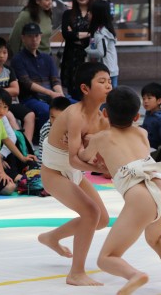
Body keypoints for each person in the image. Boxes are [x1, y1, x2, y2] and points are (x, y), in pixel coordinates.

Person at [78, 85, 161, 295]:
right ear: (137, 116)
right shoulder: (142, 132)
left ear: (104, 113)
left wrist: (85, 142)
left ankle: (134, 275)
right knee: (156, 238)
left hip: (140, 197)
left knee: (106, 257)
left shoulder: (101, 138)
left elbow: (83, 157)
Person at [38, 62, 110, 286]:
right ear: (85, 88)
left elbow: (97, 154)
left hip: (75, 171)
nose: (108, 85)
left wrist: (106, 164)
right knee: (91, 212)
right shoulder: (75, 115)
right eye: (101, 81)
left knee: (102, 219)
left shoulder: (101, 119)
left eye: (109, 81)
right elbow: (73, 159)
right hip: (54, 172)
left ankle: (52, 237)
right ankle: (76, 273)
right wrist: (101, 168)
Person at [11, 22, 66, 143]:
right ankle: (43, 141)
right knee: (46, 110)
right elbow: (26, 83)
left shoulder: (47, 58)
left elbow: (55, 79)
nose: (34, 39)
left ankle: (69, 141)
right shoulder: (18, 59)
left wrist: (60, 95)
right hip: (30, 98)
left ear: (40, 37)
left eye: (36, 36)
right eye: (30, 36)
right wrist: (51, 94)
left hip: (51, 96)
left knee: (74, 106)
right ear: (23, 38)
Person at [0, 36, 36, 145]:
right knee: (8, 115)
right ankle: (19, 144)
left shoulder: (9, 70)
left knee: (30, 115)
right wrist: (4, 91)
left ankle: (28, 145)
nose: (2, 56)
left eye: (4, 52)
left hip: (11, 103)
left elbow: (16, 90)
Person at [61, 0, 93, 97]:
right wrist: (88, 34)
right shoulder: (68, 14)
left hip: (88, 56)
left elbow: (96, 34)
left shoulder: (94, 14)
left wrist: (75, 34)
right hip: (71, 58)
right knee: (72, 91)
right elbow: (66, 34)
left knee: (89, 89)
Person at [86, 0, 119, 88]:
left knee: (109, 98)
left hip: (107, 72)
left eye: (91, 12)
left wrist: (87, 50)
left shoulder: (102, 32)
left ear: (97, 15)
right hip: (108, 70)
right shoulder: (102, 30)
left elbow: (101, 52)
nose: (88, 14)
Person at [37, 96, 71, 167]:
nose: (55, 121)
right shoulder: (46, 129)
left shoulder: (74, 126)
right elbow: (42, 153)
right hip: (53, 161)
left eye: (59, 118)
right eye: (52, 117)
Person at [140, 82, 161, 151]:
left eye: (149, 98)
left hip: (155, 150)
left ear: (159, 101)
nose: (145, 101)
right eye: (144, 98)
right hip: (145, 145)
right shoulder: (148, 112)